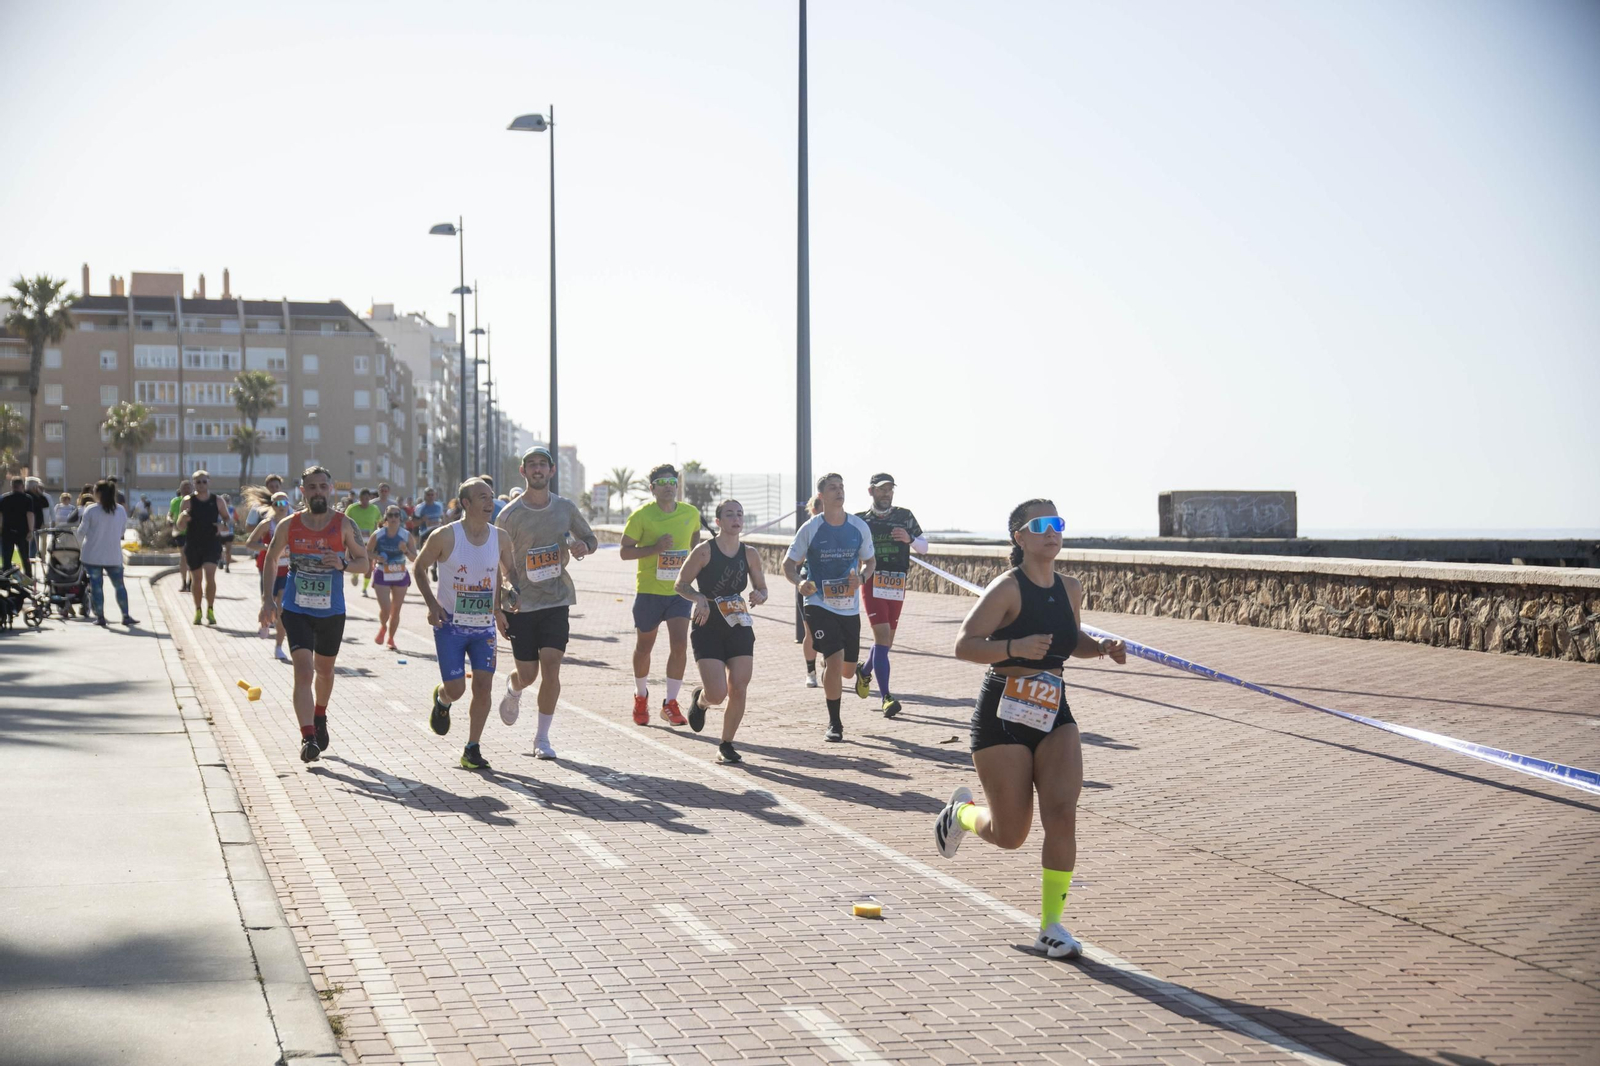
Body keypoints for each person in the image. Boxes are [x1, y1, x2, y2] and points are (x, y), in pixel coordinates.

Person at [932, 499, 1127, 959]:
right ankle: (959, 814)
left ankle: (1052, 926)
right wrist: (1015, 645)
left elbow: (1069, 639)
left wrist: (1100, 646)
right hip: (1003, 710)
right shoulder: (1007, 589)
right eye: (1040, 526)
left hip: (1054, 711)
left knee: (1062, 813)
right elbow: (964, 645)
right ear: (1019, 537)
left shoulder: (1071, 587)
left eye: (1057, 523)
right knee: (1010, 834)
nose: (1052, 532)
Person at [259, 466, 370, 763]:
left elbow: (365, 563)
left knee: (324, 671)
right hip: (296, 609)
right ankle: (308, 737)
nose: (318, 491)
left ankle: (319, 714)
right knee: (304, 671)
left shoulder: (344, 524)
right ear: (303, 491)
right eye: (312, 487)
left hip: (331, 612)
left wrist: (343, 564)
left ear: (330, 489)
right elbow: (271, 559)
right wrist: (268, 600)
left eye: (323, 486)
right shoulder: (290, 526)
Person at [494, 447, 597, 759]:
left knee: (552, 666)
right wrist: (498, 606)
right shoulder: (508, 515)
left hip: (556, 599)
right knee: (528, 674)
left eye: (543, 464)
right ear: (523, 472)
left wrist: (582, 546)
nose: (537, 469)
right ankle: (514, 689)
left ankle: (542, 739)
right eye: (531, 465)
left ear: (552, 471)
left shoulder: (564, 508)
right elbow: (498, 563)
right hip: (522, 604)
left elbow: (590, 540)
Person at [413, 477, 517, 770]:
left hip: (483, 627)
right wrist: (432, 605)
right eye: (482, 497)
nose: (490, 503)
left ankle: (472, 748)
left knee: (483, 686)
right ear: (466, 504)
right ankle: (443, 699)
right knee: (457, 689)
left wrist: (506, 600)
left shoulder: (500, 537)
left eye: (492, 497)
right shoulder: (445, 536)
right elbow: (419, 568)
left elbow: (508, 572)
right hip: (450, 626)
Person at [783, 473, 875, 742]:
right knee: (833, 662)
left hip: (848, 605)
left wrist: (862, 578)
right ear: (821, 496)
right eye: (833, 488)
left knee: (845, 671)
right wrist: (800, 583)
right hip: (818, 603)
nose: (839, 491)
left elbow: (870, 562)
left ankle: (854, 669)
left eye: (842, 487)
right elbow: (788, 566)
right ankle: (835, 724)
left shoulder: (859, 527)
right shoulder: (810, 528)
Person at [675, 499, 768, 765]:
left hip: (738, 622)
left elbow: (762, 588)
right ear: (718, 522)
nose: (736, 519)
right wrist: (699, 598)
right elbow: (680, 584)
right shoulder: (704, 551)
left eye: (739, 514)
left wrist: (759, 595)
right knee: (718, 693)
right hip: (708, 623)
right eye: (729, 514)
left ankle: (726, 744)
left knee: (739, 686)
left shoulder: (749, 553)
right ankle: (701, 701)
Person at [619, 463, 702, 726]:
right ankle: (640, 695)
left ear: (677, 487)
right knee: (645, 647)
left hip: (678, 592)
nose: (668, 487)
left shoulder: (691, 513)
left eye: (672, 482)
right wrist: (655, 548)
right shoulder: (642, 516)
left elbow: (696, 545)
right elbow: (625, 551)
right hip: (649, 592)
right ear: (652, 488)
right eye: (662, 483)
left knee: (679, 645)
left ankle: (670, 703)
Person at [853, 473, 929, 718]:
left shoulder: (904, 516)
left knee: (885, 643)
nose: (886, 493)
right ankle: (886, 697)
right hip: (872, 580)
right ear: (871, 492)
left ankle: (864, 671)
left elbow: (924, 547)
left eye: (889, 489)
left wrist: (910, 538)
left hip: (897, 582)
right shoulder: (859, 521)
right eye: (881, 489)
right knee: (883, 639)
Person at [76, 479, 138, 627]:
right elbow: (122, 531)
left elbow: (81, 532)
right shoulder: (120, 510)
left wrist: (78, 547)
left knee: (96, 586)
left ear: (98, 493)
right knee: (119, 586)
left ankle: (101, 617)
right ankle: (125, 615)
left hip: (92, 555)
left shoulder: (91, 510)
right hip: (113, 555)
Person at [175, 470, 230, 625]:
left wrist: (223, 526)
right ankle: (198, 610)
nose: (201, 484)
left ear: (209, 482)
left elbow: (228, 520)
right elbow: (179, 526)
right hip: (193, 544)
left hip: (212, 543)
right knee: (197, 579)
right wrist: (183, 518)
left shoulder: (217, 500)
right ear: (193, 483)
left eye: (204, 481)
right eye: (198, 482)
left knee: (210, 576)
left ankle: (210, 609)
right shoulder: (187, 501)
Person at [247, 492, 293, 661]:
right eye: (277, 504)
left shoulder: (293, 523)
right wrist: (268, 548)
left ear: (288, 505)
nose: (281, 507)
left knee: (281, 609)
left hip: (287, 571)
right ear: (272, 506)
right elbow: (250, 543)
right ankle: (265, 621)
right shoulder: (267, 524)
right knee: (268, 603)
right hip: (269, 569)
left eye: (284, 504)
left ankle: (279, 646)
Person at [367, 506, 416, 650]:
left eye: (396, 515)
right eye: (390, 515)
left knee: (396, 611)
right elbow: (367, 552)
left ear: (400, 518)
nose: (393, 518)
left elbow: (414, 558)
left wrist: (405, 550)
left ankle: (391, 638)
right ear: (386, 518)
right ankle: (383, 626)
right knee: (386, 609)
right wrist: (377, 557)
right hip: (382, 572)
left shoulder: (406, 536)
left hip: (400, 574)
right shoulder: (378, 534)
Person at [797, 493, 825, 687]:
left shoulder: (841, 527)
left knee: (831, 629)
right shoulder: (807, 530)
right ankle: (811, 672)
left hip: (833, 586)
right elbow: (794, 561)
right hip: (810, 583)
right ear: (814, 510)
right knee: (810, 630)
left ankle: (828, 663)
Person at [345, 489, 382, 596]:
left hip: (369, 542)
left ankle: (364, 589)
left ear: (369, 499)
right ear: (359, 498)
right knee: (357, 561)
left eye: (367, 499)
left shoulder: (374, 509)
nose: (364, 501)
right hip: (355, 541)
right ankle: (356, 574)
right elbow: (344, 521)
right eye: (362, 499)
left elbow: (380, 522)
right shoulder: (352, 508)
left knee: (369, 565)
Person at [0, 476, 36, 577]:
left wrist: (0, 528)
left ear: (11, 486)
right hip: (22, 531)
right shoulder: (27, 499)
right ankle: (28, 577)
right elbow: (30, 515)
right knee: (25, 557)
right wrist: (31, 530)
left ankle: (5, 579)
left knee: (6, 558)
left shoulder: (4, 498)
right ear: (22, 486)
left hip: (7, 531)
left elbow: (1, 516)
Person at [170, 479, 193, 592]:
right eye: (184, 487)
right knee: (184, 556)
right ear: (180, 489)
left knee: (192, 558)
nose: (186, 489)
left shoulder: (195, 500)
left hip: (193, 532)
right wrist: (169, 520)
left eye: (188, 487)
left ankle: (191, 582)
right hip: (180, 532)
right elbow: (170, 514)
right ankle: (184, 583)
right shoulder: (175, 501)